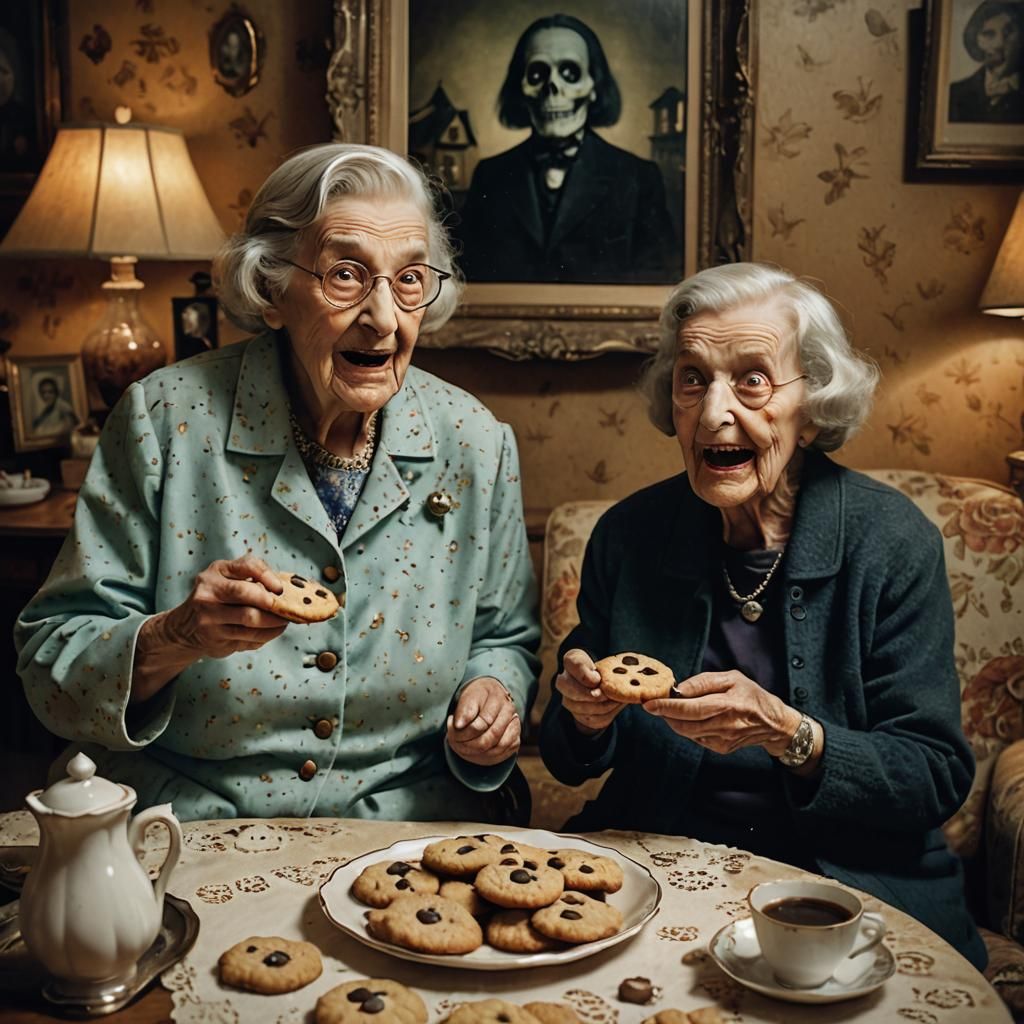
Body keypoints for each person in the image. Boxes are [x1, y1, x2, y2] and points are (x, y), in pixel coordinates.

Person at [16, 143, 540, 824]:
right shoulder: (166, 419)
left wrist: (493, 690)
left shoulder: (475, 442)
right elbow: (51, 666)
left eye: (410, 279)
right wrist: (176, 636)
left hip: (406, 824)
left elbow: (503, 639)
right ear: (270, 291)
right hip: (195, 818)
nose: (383, 317)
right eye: (346, 275)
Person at [539, 262, 986, 970]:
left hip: (848, 884)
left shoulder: (893, 543)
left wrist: (792, 735)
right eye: (694, 378)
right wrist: (584, 718)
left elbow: (932, 775)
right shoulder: (629, 535)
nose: (716, 411)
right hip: (662, 868)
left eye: (751, 379)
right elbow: (566, 757)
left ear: (811, 406)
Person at [456, 13, 676, 284]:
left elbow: (659, 281)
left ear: (593, 87)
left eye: (570, 73)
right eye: (537, 74)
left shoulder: (639, 178)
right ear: (521, 89)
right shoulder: (490, 176)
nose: (552, 88)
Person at [949, 0, 1023, 124]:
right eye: (988, 34)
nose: (999, 44)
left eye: (1009, 32)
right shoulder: (954, 94)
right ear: (976, 41)